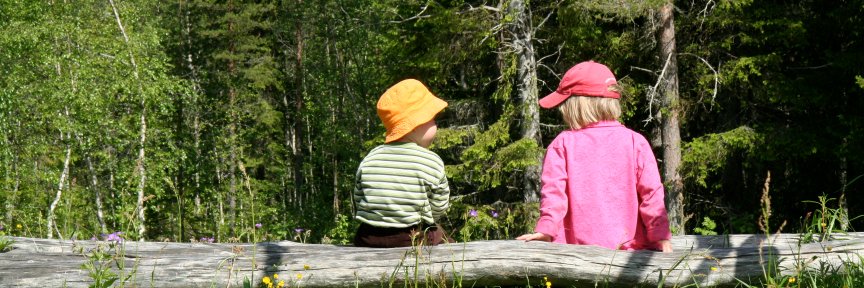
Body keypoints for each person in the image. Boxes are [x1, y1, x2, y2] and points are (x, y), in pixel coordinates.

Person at [516, 61, 673, 252]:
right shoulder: (635, 142)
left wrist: (546, 230)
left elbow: (553, 194)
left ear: (577, 105)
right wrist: (660, 236)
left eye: (564, 104)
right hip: (629, 254)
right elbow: (652, 195)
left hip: (575, 255)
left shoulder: (563, 144)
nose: (562, 111)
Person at [353, 79, 451, 248]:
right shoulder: (431, 161)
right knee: (443, 237)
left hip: (368, 237)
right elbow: (439, 205)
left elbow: (358, 197)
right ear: (415, 125)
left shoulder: (370, 157)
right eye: (433, 119)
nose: (436, 125)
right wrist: (429, 220)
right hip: (411, 237)